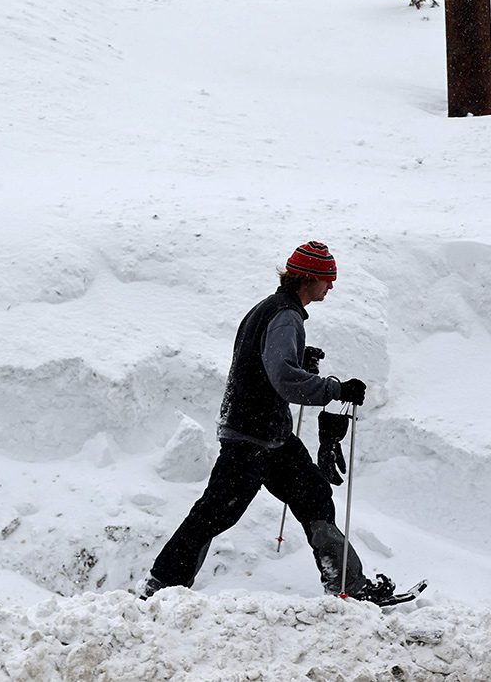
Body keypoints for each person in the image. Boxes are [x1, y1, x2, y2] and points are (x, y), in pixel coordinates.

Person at [138, 242, 395, 604]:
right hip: (251, 437)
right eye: (327, 279)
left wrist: (298, 358)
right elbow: (283, 379)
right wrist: (335, 389)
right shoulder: (285, 315)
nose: (331, 287)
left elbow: (264, 363)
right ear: (308, 279)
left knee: (315, 496)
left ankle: (346, 583)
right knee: (214, 513)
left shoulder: (269, 309)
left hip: (271, 437)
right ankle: (159, 588)